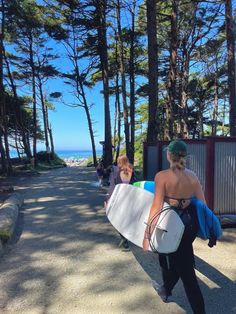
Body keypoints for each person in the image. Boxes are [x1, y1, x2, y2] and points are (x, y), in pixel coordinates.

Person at [143, 140, 206, 314]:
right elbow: (203, 204)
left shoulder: (161, 176)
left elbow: (156, 207)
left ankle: (198, 310)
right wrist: (186, 201)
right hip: (189, 225)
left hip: (170, 224)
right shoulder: (192, 176)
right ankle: (165, 289)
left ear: (169, 155)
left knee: (187, 275)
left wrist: (147, 236)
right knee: (176, 257)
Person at [105, 155, 135, 251]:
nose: (117, 164)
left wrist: (108, 199)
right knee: (127, 219)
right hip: (130, 198)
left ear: (121, 162)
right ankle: (127, 237)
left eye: (118, 162)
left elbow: (114, 188)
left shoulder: (118, 173)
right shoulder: (132, 172)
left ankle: (124, 239)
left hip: (120, 199)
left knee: (119, 220)